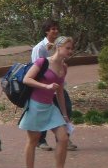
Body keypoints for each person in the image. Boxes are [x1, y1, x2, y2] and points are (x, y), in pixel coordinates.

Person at [20, 36, 77, 168]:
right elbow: (27, 79)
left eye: (72, 48)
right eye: (68, 48)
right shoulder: (43, 62)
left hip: (50, 107)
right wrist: (46, 87)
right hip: (35, 106)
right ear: (59, 47)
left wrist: (65, 115)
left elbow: (59, 93)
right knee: (33, 140)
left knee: (63, 138)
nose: (70, 51)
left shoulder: (63, 67)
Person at [31, 19, 77, 152]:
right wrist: (44, 86)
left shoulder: (59, 45)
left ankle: (63, 138)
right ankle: (40, 140)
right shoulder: (39, 48)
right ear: (46, 31)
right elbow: (35, 69)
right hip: (44, 88)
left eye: (57, 28)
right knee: (43, 113)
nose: (55, 31)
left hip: (58, 87)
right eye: (52, 29)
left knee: (66, 108)